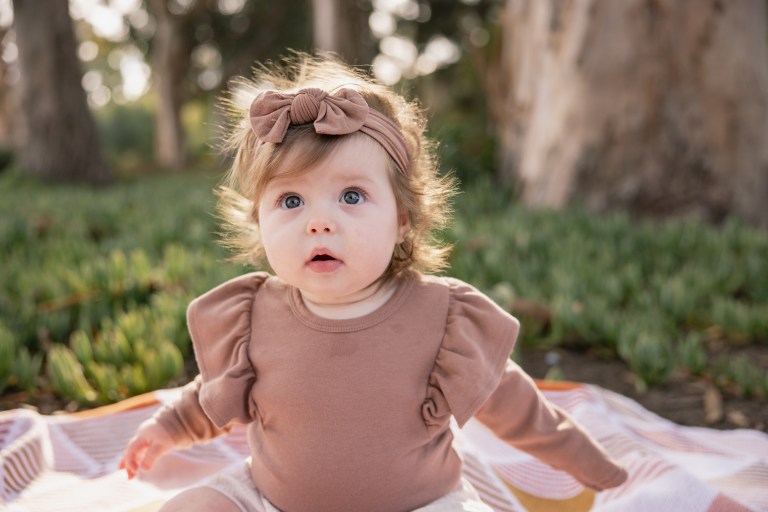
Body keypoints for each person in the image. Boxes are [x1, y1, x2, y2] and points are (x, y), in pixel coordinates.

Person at [119, 54, 627, 512]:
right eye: (291, 201)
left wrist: (594, 467)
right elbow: (210, 394)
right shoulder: (254, 313)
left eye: (352, 196)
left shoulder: (441, 319)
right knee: (193, 508)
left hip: (422, 504)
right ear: (258, 221)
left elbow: (522, 410)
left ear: (403, 218)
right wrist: (167, 429)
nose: (319, 222)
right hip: (270, 500)